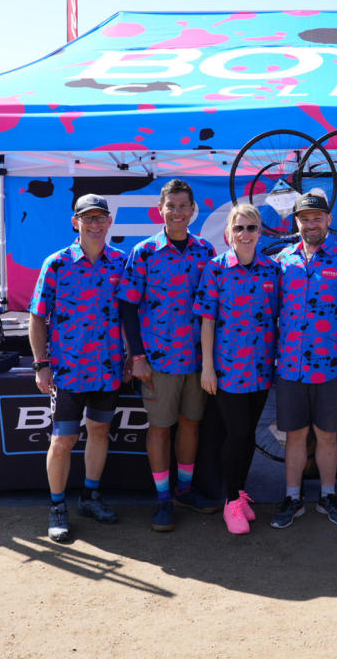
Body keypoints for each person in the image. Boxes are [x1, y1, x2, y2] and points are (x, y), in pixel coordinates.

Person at [270, 191, 337, 529]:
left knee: (327, 435)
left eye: (317, 217)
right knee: (295, 435)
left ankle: (328, 495)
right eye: (304, 218)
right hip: (289, 366)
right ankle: (292, 497)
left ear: (328, 220)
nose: (311, 223)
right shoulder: (282, 260)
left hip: (331, 366)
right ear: (296, 221)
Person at [117, 179, 219, 532]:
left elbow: (214, 306)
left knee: (191, 424)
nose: (177, 212)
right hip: (158, 360)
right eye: (170, 206)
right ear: (160, 210)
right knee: (160, 428)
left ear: (193, 210)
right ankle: (162, 499)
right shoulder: (144, 252)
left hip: (198, 359)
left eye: (183, 206)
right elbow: (128, 306)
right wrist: (138, 356)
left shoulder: (206, 252)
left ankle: (185, 490)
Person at [28, 194, 127, 544]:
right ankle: (58, 508)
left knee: (100, 433)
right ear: (76, 222)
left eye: (101, 218)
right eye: (88, 218)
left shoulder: (121, 263)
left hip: (108, 369)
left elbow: (130, 315)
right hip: (68, 371)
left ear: (110, 222)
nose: (95, 224)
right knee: (63, 439)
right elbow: (38, 317)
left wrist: (130, 357)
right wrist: (41, 365)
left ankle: (90, 498)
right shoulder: (56, 264)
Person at [194, 204, 279, 534]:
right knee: (237, 432)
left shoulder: (272, 270)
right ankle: (230, 500)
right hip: (228, 369)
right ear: (228, 233)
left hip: (261, 368)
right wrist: (208, 368)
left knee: (248, 436)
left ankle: (239, 493)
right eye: (239, 228)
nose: (245, 234)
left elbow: (275, 316)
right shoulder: (215, 269)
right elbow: (207, 320)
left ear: (260, 232)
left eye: (252, 228)